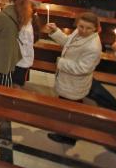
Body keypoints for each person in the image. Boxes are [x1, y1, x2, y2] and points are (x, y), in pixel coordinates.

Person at [43, 13, 102, 144]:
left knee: (71, 111)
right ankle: (64, 128)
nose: (84, 30)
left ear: (95, 29)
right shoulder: (78, 33)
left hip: (74, 83)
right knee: (65, 107)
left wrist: (61, 63)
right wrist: (55, 31)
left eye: (88, 28)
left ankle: (68, 136)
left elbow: (83, 68)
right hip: (67, 80)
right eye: (81, 26)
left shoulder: (93, 47)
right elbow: (67, 42)